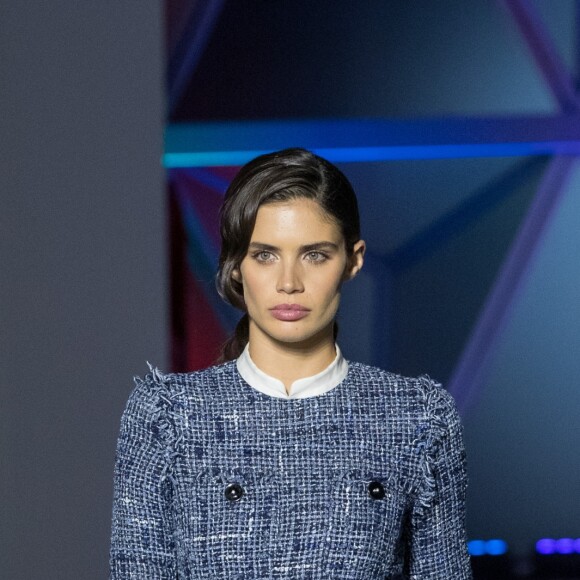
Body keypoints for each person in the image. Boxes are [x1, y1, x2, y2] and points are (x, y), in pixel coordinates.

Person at [109, 148, 472, 578]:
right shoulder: (167, 416)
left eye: (314, 254)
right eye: (265, 254)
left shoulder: (418, 418)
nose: (288, 283)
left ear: (353, 260)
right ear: (237, 265)